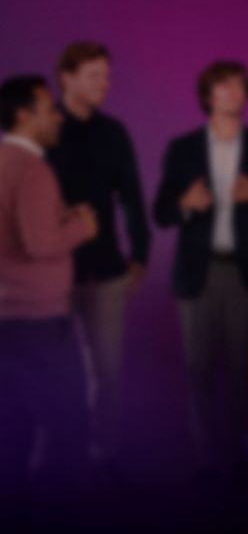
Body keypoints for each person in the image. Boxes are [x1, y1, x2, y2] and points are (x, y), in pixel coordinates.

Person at [153, 60, 248, 481]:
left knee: (244, 369)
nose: (234, 94)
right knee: (198, 366)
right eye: (224, 88)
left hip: (243, 273)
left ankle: (241, 456)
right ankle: (205, 455)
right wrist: (184, 205)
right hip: (199, 271)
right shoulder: (184, 148)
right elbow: (160, 212)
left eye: (239, 87)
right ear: (208, 97)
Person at [46, 41, 151, 462]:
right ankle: (55, 460)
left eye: (106, 76)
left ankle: (101, 460)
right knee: (55, 371)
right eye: (93, 76)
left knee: (107, 372)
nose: (103, 85)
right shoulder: (45, 129)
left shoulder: (113, 133)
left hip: (106, 270)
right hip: (53, 272)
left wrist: (140, 256)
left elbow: (131, 198)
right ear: (66, 78)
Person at [0, 75, 98, 527]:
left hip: (7, 321)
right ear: (24, 114)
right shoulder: (33, 168)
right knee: (68, 425)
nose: (56, 115)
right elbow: (39, 243)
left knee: (13, 429)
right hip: (39, 321)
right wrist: (83, 225)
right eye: (47, 108)